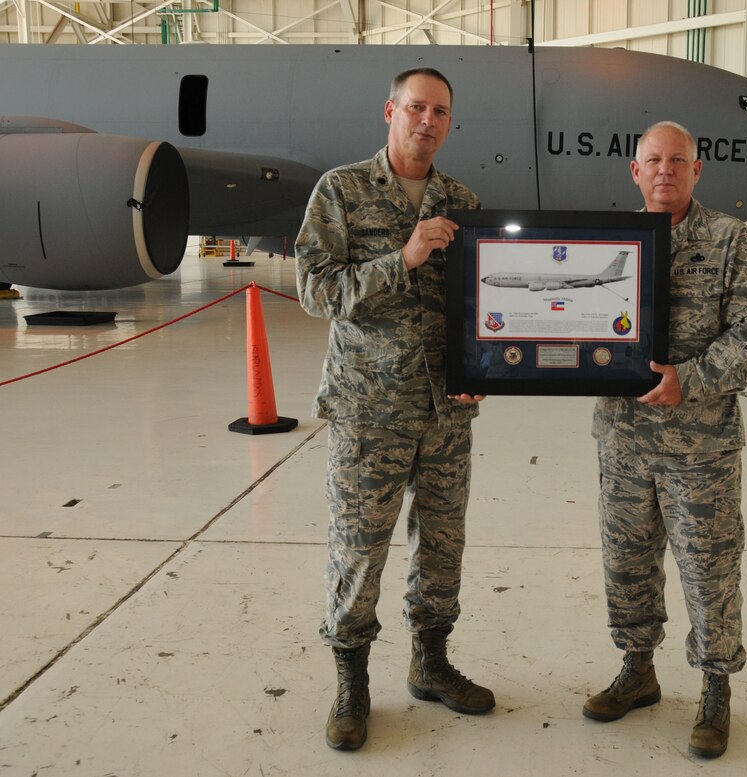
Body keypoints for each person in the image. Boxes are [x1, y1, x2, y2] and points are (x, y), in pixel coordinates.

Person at [295, 67, 493, 753]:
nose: (427, 121)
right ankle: (352, 680)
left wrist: (479, 369)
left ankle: (430, 661)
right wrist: (402, 258)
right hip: (368, 409)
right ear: (390, 111)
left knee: (441, 547)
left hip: (445, 411)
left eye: (440, 111)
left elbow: (477, 305)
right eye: (416, 107)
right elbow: (315, 292)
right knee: (359, 548)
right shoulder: (342, 192)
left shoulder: (461, 200)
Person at [583, 121, 747, 759]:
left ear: (698, 171)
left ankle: (716, 688)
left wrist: (689, 380)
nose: (664, 170)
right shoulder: (609, 242)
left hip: (702, 448)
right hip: (623, 441)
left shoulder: (728, 241)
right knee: (627, 563)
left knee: (709, 571)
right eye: (652, 161)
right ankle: (638, 669)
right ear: (634, 172)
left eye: (678, 161)